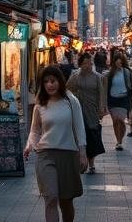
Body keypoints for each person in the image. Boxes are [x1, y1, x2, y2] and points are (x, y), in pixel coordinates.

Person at [23, 65, 87, 222]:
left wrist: (83, 153)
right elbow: (35, 130)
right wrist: (29, 145)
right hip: (45, 155)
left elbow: (79, 127)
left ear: (60, 81)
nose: (50, 84)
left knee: (66, 201)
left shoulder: (71, 101)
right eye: (46, 82)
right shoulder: (40, 104)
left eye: (53, 81)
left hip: (68, 155)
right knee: (50, 198)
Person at [65, 52, 108, 173]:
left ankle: (91, 163)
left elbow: (101, 94)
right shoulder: (75, 75)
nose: (88, 66)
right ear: (80, 64)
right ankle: (81, 161)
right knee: (79, 134)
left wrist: (101, 109)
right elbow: (67, 88)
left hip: (92, 109)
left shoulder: (97, 77)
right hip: (78, 108)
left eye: (90, 63)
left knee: (92, 135)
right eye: (85, 63)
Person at [104, 51, 132, 150]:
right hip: (112, 100)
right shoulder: (109, 74)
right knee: (115, 121)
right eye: (117, 62)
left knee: (121, 121)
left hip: (123, 99)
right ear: (114, 62)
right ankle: (118, 141)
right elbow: (105, 87)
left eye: (120, 62)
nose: (119, 64)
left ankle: (120, 140)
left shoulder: (127, 72)